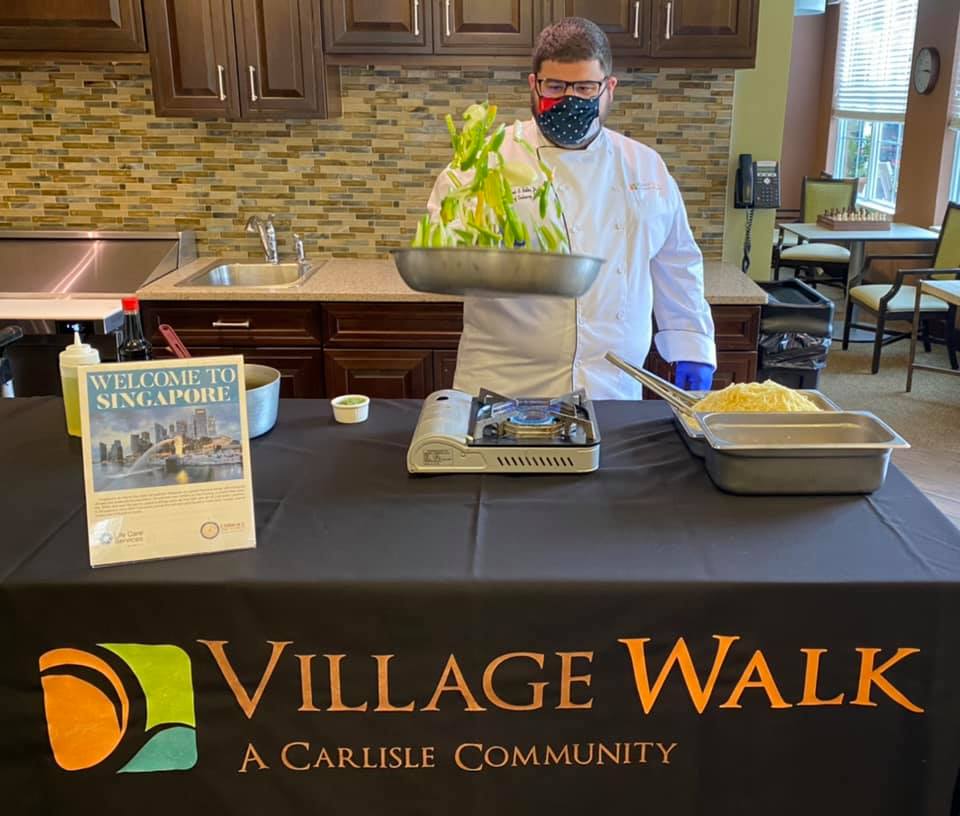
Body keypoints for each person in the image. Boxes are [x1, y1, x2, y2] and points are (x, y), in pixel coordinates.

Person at [427, 17, 716, 400]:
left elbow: (676, 263)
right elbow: (440, 256)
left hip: (613, 387)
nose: (569, 100)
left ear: (609, 88)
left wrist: (692, 346)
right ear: (534, 85)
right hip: (504, 386)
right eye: (555, 86)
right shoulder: (485, 162)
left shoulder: (645, 167)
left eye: (584, 87)